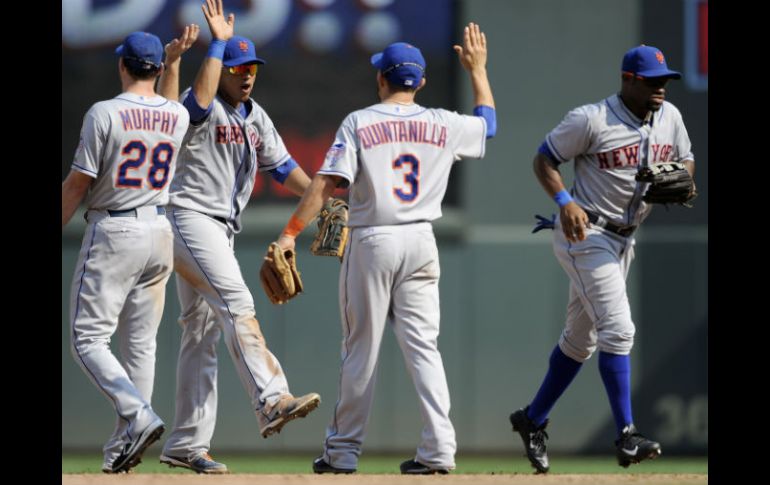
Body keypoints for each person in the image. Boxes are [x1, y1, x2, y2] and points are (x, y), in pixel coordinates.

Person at [271, 23, 496, 475]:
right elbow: (488, 125)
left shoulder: (360, 121)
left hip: (374, 238)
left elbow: (329, 183)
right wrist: (478, 70)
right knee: (424, 348)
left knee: (360, 350)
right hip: (421, 242)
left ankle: (342, 453)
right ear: (422, 82)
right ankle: (439, 452)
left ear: (381, 78)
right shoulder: (443, 123)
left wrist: (291, 231)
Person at [509, 45, 695, 473]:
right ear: (627, 78)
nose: (660, 89)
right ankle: (627, 435)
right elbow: (544, 158)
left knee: (580, 341)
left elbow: (686, 160)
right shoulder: (591, 118)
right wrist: (563, 200)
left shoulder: (670, 117)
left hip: (625, 240)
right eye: (651, 81)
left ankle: (532, 418)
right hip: (584, 232)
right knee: (619, 328)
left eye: (664, 81)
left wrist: (681, 177)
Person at [156, 0, 320, 474]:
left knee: (201, 334)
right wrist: (217, 43)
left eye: (251, 67)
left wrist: (323, 199)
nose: (246, 74)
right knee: (237, 302)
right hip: (188, 217)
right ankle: (271, 399)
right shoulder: (200, 105)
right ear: (221, 69)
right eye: (236, 67)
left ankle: (186, 443)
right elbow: (199, 103)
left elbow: (285, 168)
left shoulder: (255, 116)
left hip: (217, 229)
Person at [62, 31, 192, 473]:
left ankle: (136, 417)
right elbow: (167, 108)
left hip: (115, 229)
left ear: (123, 65)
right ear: (156, 69)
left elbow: (77, 184)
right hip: (160, 229)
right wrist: (173, 65)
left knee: (87, 339)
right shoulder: (176, 114)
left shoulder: (104, 112)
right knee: (140, 345)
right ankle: (123, 447)